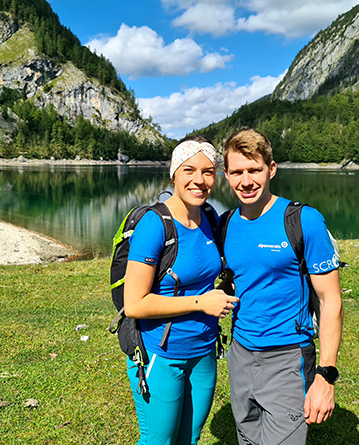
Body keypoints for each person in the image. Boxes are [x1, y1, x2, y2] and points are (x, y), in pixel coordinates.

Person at [221, 129, 343, 445]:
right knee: (247, 438)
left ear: (271, 169)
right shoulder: (226, 223)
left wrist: (326, 376)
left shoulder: (304, 221)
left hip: (288, 359)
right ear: (226, 175)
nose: (245, 181)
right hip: (241, 355)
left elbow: (330, 300)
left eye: (254, 170)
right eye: (237, 172)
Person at [123, 136, 239, 445]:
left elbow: (207, 275)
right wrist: (202, 302)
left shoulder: (210, 218)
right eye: (189, 170)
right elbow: (134, 304)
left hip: (203, 353)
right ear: (174, 173)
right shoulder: (155, 224)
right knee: (158, 442)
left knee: (189, 438)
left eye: (208, 171)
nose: (199, 181)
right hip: (160, 356)